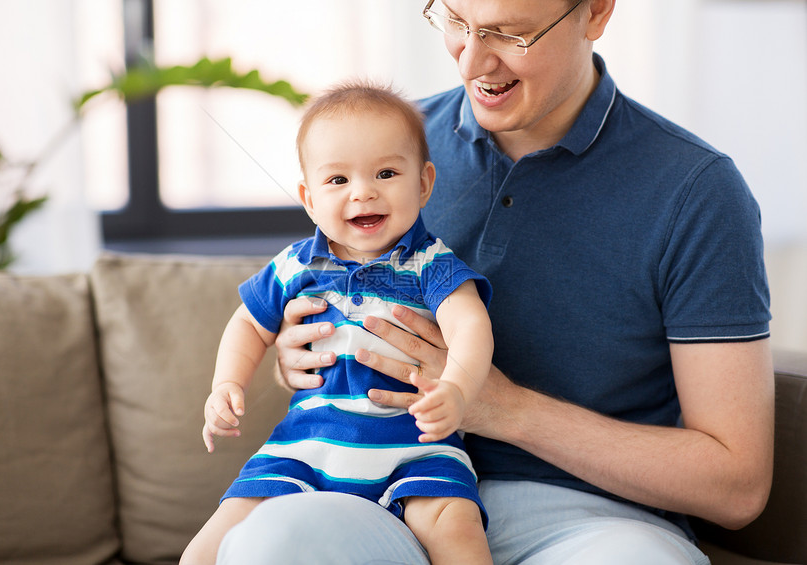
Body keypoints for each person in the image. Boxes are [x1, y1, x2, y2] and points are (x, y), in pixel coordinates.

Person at [215, 1, 775, 564]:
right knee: (271, 542)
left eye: (510, 34)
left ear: (597, 13)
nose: (472, 60)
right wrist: (303, 353)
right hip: (379, 494)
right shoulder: (384, 148)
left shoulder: (697, 191)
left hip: (588, 523)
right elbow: (314, 293)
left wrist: (502, 408)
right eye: (456, 21)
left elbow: (737, 486)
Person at [180, 82, 494, 565]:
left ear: (424, 183)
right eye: (337, 180)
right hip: (305, 447)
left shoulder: (430, 264)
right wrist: (226, 382)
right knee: (205, 550)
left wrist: (457, 387)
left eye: (386, 173)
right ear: (308, 198)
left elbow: (470, 325)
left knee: (457, 529)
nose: (363, 192)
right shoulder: (297, 265)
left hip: (414, 448)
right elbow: (248, 325)